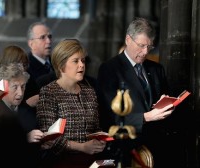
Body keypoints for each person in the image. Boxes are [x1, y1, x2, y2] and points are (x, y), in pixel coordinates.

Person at [96, 17, 175, 167]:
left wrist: (168, 105)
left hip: (158, 145)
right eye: (141, 45)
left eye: (149, 47)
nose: (145, 52)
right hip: (127, 148)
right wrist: (146, 117)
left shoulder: (156, 69)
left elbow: (162, 98)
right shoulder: (110, 69)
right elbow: (110, 116)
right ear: (128, 40)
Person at [36, 39, 107, 167]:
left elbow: (96, 128)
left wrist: (100, 140)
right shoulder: (49, 92)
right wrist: (82, 147)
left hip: (91, 160)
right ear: (61, 65)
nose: (82, 65)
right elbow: (49, 138)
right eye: (76, 61)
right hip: (61, 161)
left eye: (83, 60)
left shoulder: (90, 91)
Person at [0, 63, 41, 167]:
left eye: (23, 87)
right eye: (15, 87)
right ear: (2, 88)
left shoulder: (27, 109)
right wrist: (25, 139)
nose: (20, 93)